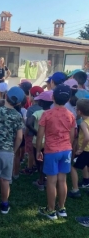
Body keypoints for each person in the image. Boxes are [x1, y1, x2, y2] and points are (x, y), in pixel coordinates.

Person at [36, 84, 76, 220]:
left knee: (51, 182)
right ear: (68, 98)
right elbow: (72, 135)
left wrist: (38, 150)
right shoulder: (71, 115)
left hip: (51, 150)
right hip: (66, 150)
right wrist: (67, 146)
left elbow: (40, 135)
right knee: (62, 180)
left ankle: (51, 210)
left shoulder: (46, 114)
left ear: (52, 97)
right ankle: (62, 208)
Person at [0, 87, 24, 214]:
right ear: (18, 103)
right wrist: (14, 150)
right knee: (5, 180)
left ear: (5, 96)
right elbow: (20, 137)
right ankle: (4, 204)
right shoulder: (18, 116)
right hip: (8, 152)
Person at [26, 91, 53, 190]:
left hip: (37, 141)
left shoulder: (37, 113)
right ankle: (46, 178)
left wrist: (36, 132)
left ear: (41, 103)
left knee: (39, 161)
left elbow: (28, 123)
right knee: (46, 161)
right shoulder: (52, 113)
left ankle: (41, 181)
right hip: (49, 141)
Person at [68, 99, 89, 198]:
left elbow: (87, 137)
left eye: (76, 109)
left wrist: (81, 148)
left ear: (79, 111)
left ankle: (75, 190)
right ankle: (86, 182)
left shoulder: (83, 123)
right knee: (86, 166)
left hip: (85, 150)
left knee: (73, 167)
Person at [22, 86, 44, 175]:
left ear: (32, 96)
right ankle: (36, 165)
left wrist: (25, 133)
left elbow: (28, 124)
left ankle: (29, 168)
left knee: (30, 152)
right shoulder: (44, 107)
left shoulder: (31, 109)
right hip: (43, 134)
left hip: (32, 133)